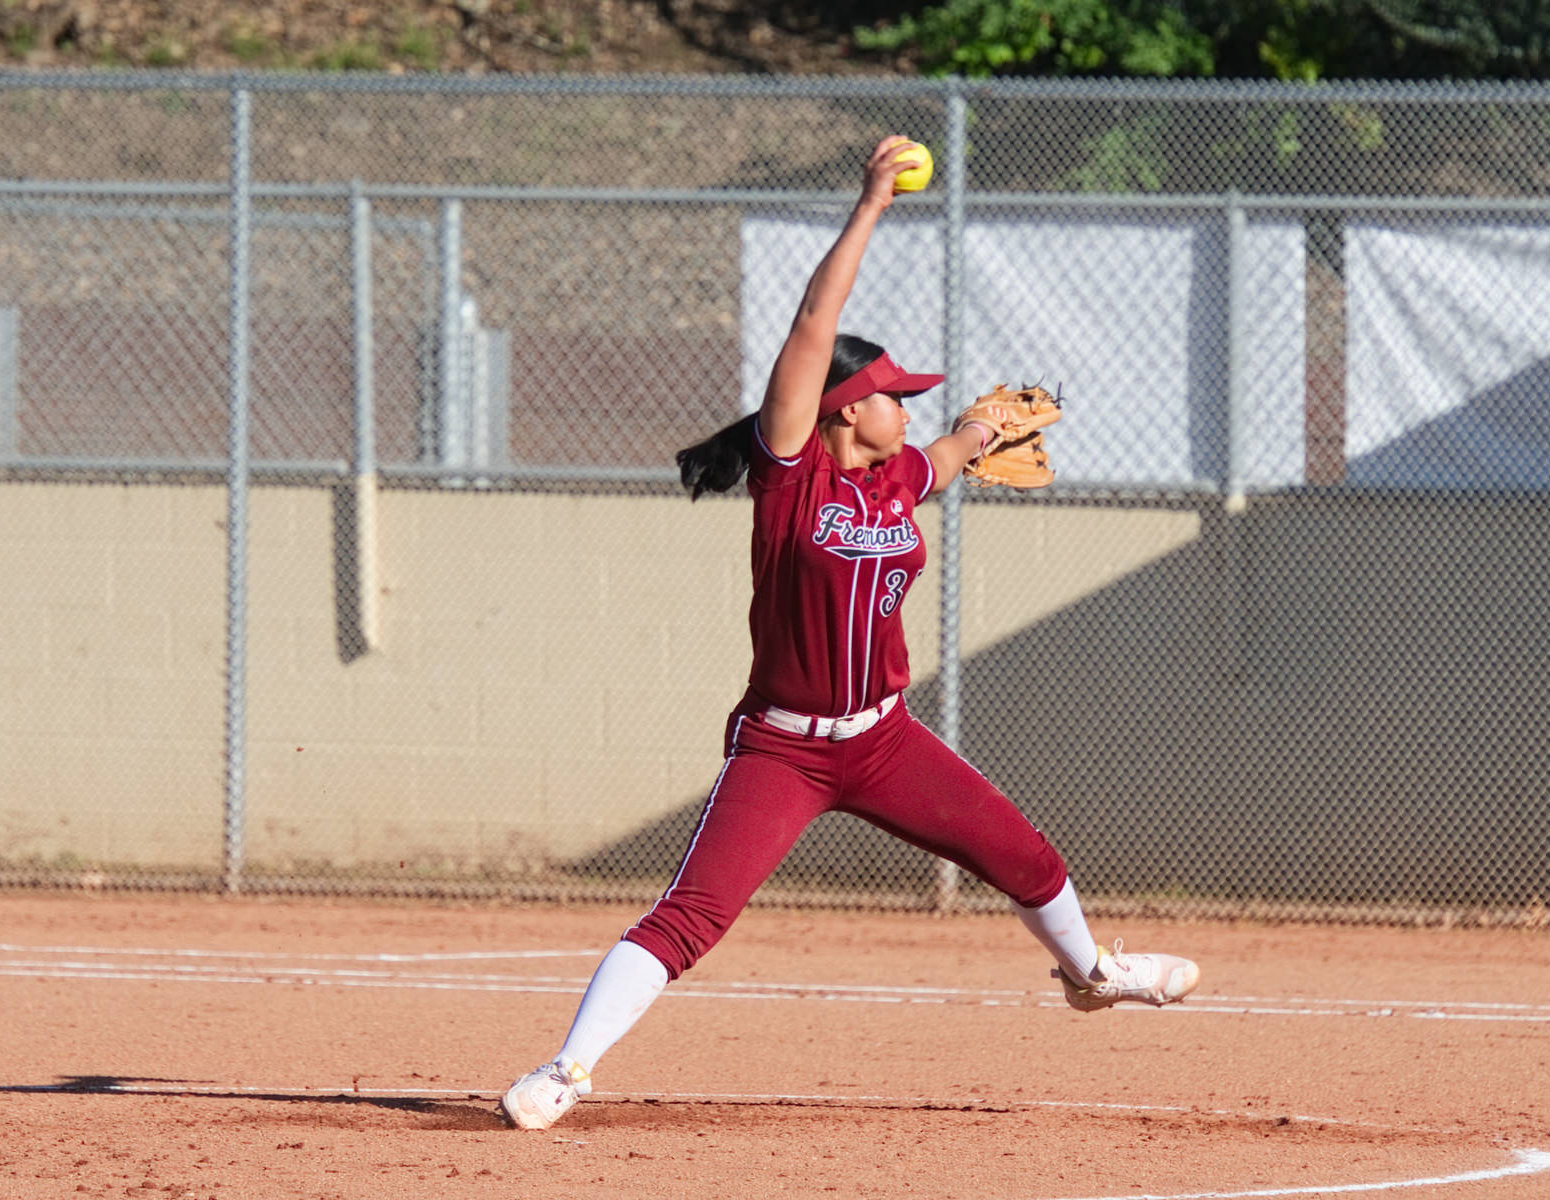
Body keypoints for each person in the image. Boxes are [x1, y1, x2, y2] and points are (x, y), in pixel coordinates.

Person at [501, 136, 1199, 1131]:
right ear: (838, 410)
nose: (906, 407)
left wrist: (977, 435)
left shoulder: (894, 479)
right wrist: (872, 204)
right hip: (783, 747)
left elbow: (947, 460)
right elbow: (811, 327)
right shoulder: (792, 479)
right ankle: (566, 1071)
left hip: (882, 739)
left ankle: (1092, 973)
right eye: (890, 397)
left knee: (1029, 859)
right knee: (692, 918)